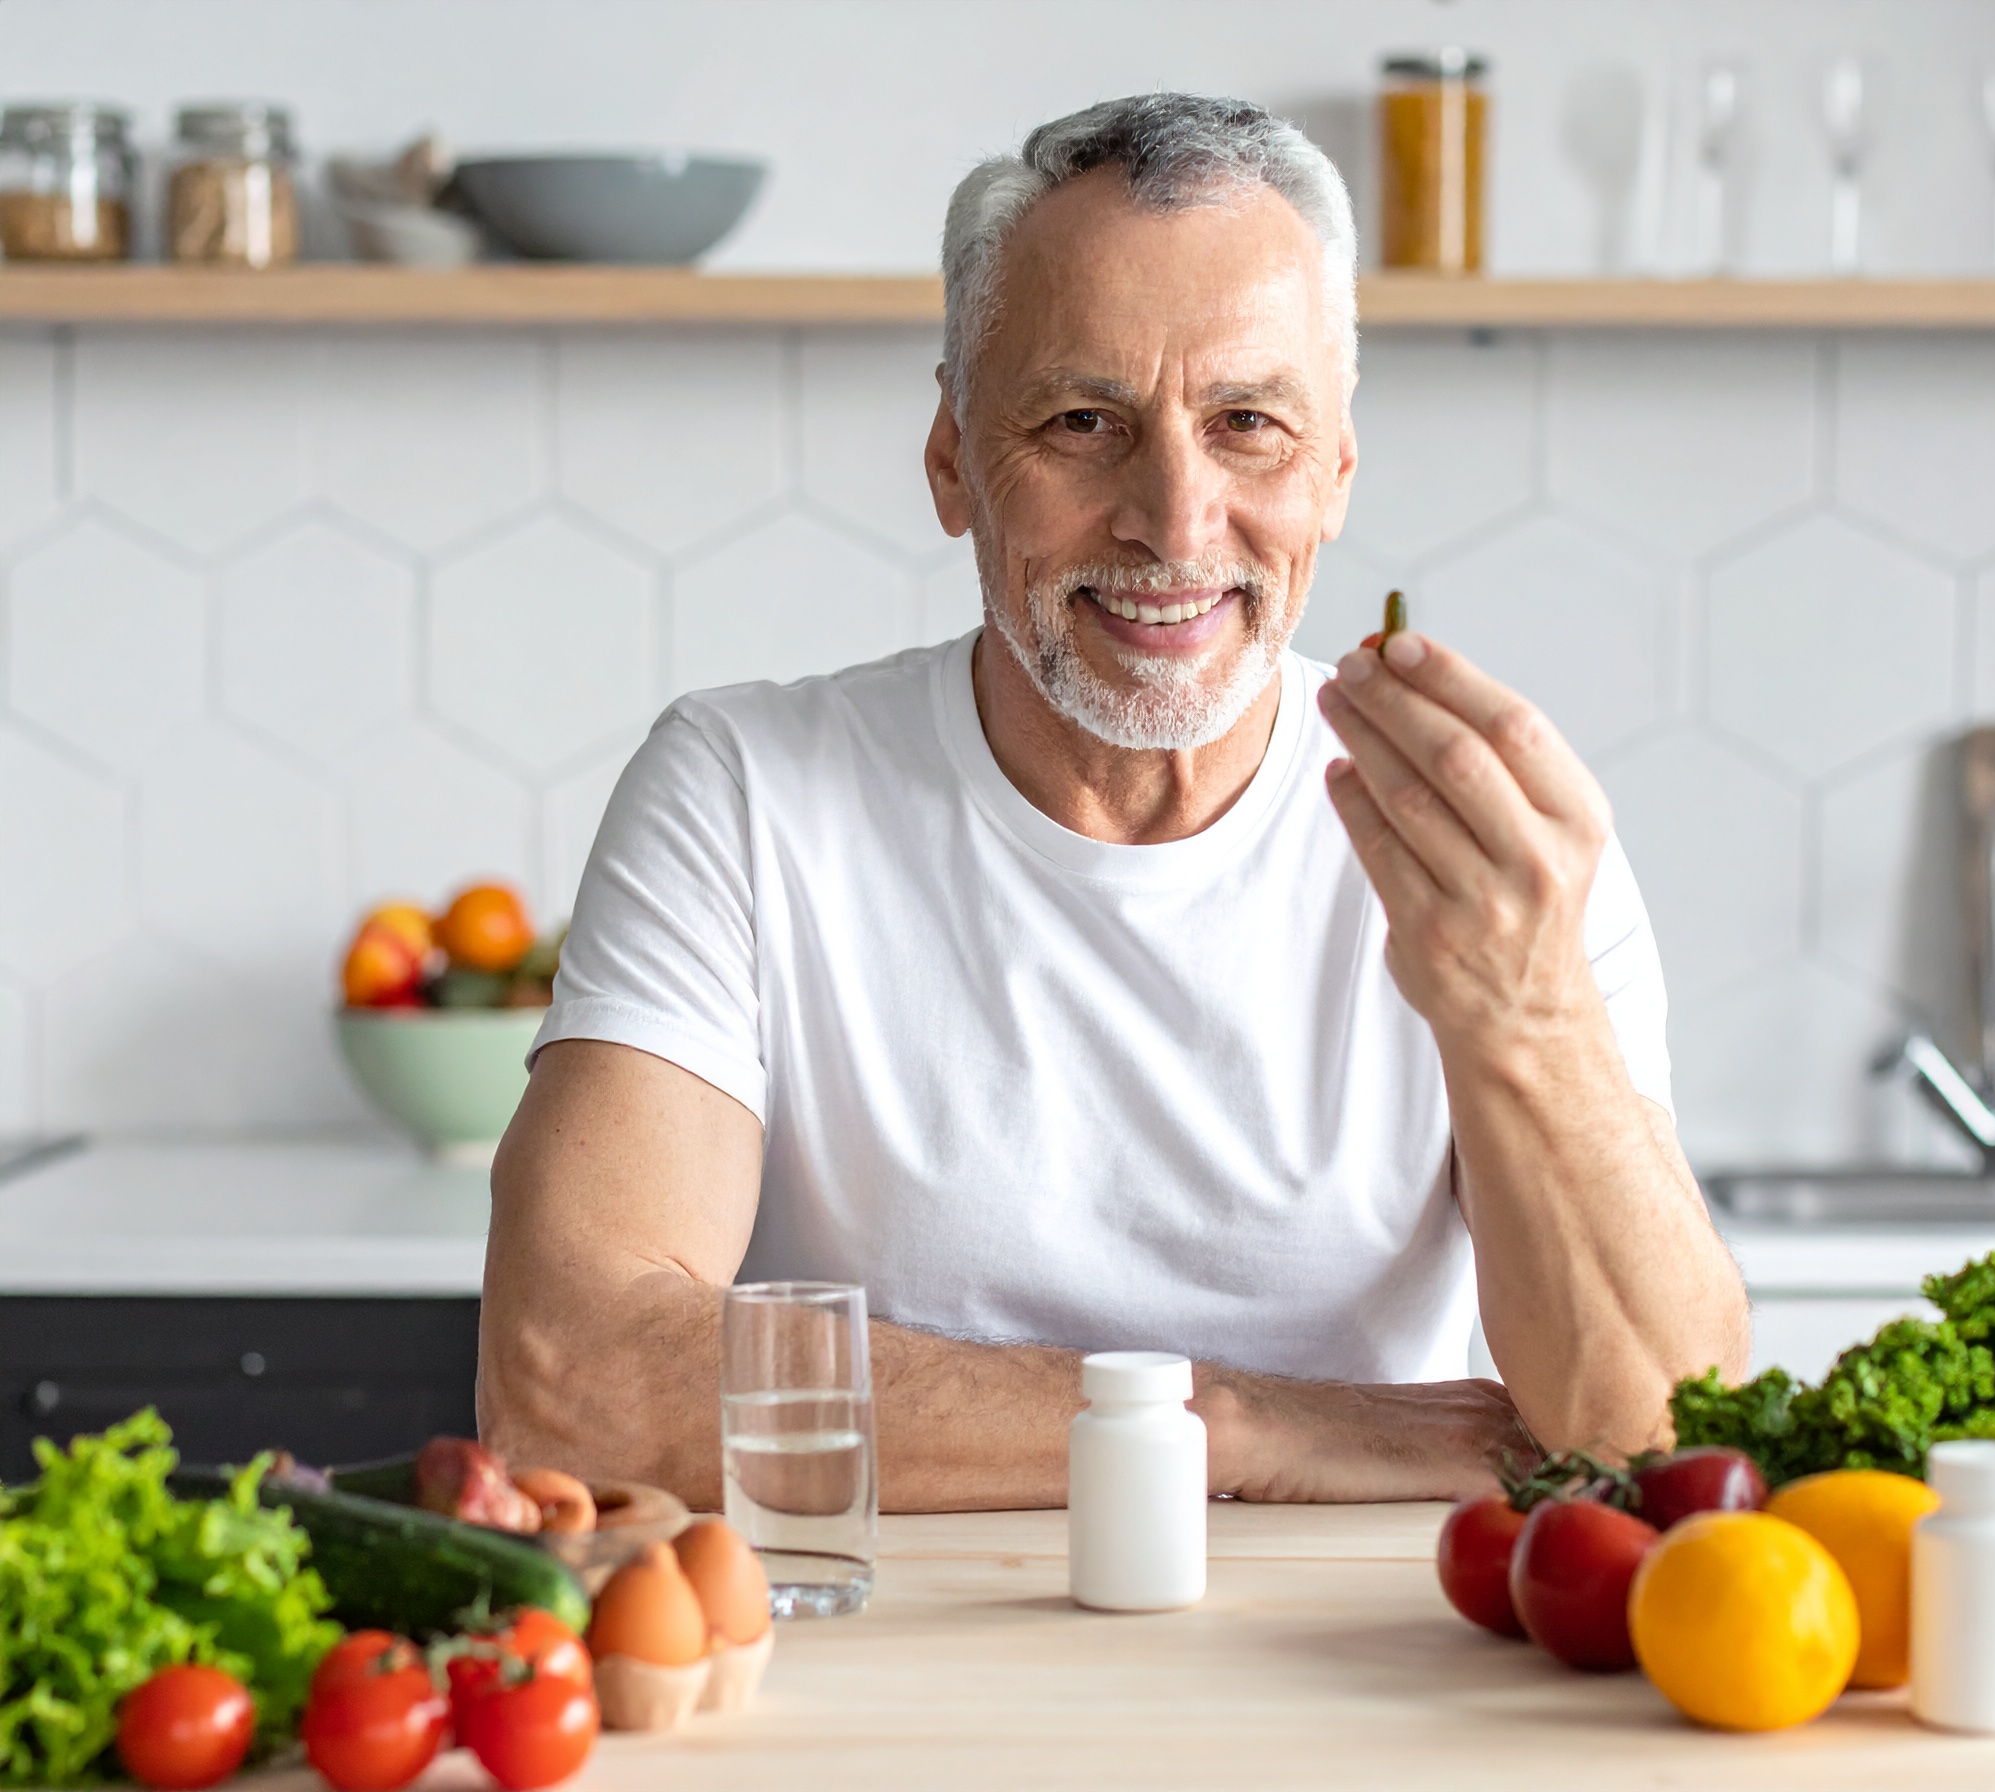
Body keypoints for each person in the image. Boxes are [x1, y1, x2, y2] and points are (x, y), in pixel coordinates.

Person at [478, 94, 1748, 1514]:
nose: (1176, 517)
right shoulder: (747, 793)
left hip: (1388, 1678)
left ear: (1333, 474)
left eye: (1249, 424)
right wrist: (1234, 1427)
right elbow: (568, 1381)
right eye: (1085, 422)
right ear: (956, 458)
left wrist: (1527, 1010)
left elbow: (1660, 1438)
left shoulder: (1484, 845)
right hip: (896, 1678)